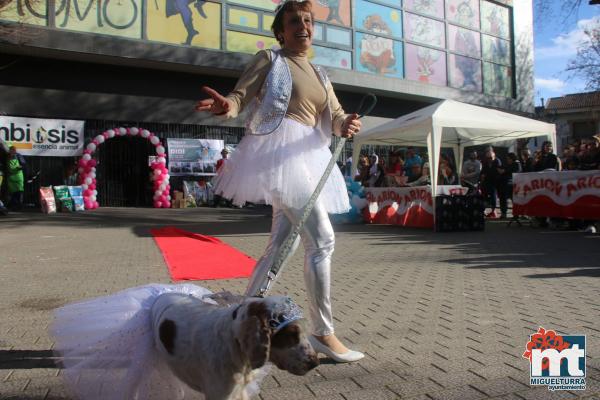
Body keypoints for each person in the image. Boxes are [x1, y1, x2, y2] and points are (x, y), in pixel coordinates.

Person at [195, 0, 363, 362]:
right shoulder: (270, 60)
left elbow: (334, 117)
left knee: (279, 245)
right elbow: (240, 97)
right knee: (322, 240)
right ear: (280, 31)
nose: (302, 26)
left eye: (308, 20)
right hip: (279, 156)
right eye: (293, 21)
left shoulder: (320, 73)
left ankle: (241, 321)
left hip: (309, 157)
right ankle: (323, 332)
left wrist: (345, 123)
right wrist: (229, 106)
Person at [480, 147, 502, 218]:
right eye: (488, 158)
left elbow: (498, 172)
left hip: (494, 181)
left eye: (490, 158)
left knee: (493, 195)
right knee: (484, 195)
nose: (489, 160)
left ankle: (494, 211)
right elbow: (483, 171)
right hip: (487, 181)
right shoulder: (486, 162)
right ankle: (484, 210)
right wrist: (482, 175)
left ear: (494, 156)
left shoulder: (497, 161)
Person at [7, 146, 27, 211]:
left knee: (19, 191)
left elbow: (23, 164)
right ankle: (13, 206)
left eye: (13, 150)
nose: (12, 151)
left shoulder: (18, 156)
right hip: (10, 177)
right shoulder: (7, 156)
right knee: (13, 192)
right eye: (11, 150)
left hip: (18, 176)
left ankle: (19, 206)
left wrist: (19, 167)